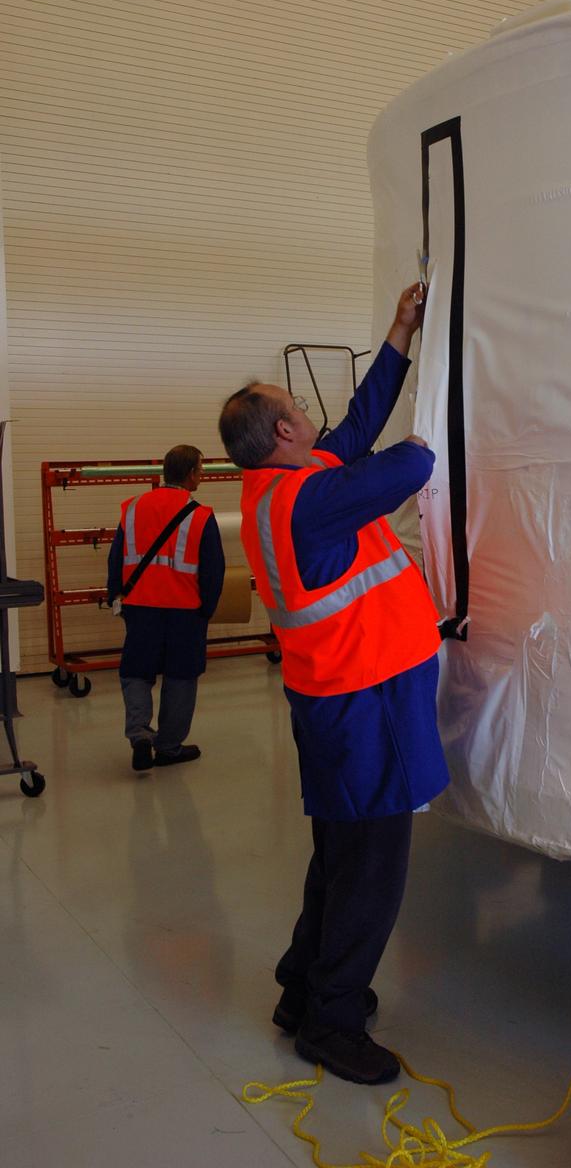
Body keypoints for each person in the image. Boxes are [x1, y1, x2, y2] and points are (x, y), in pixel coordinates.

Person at [218, 283, 449, 1086]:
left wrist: (402, 333)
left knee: (338, 857)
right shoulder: (312, 502)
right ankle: (332, 1021)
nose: (314, 416)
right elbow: (411, 462)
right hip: (366, 701)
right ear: (284, 431)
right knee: (373, 870)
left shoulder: (276, 488)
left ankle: (299, 989)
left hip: (334, 703)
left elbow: (355, 426)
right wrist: (450, 403)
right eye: (299, 409)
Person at [107, 445, 225, 772]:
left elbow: (116, 557)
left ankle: (140, 735)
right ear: (190, 474)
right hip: (185, 611)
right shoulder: (200, 515)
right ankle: (169, 747)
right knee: (181, 677)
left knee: (135, 671)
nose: (201, 475)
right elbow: (214, 570)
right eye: (200, 470)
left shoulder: (133, 508)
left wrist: (116, 596)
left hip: (140, 607)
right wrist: (207, 609)